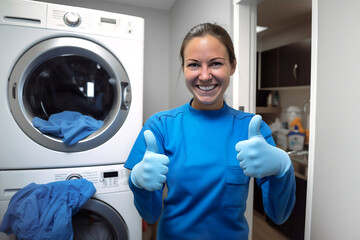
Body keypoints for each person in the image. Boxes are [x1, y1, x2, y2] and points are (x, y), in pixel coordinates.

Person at [124, 23, 296, 240]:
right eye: (194, 65)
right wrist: (138, 184)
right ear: (184, 68)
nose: (204, 76)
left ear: (233, 66)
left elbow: (278, 215)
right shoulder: (160, 126)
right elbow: (150, 214)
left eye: (216, 63)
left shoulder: (253, 129)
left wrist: (283, 168)